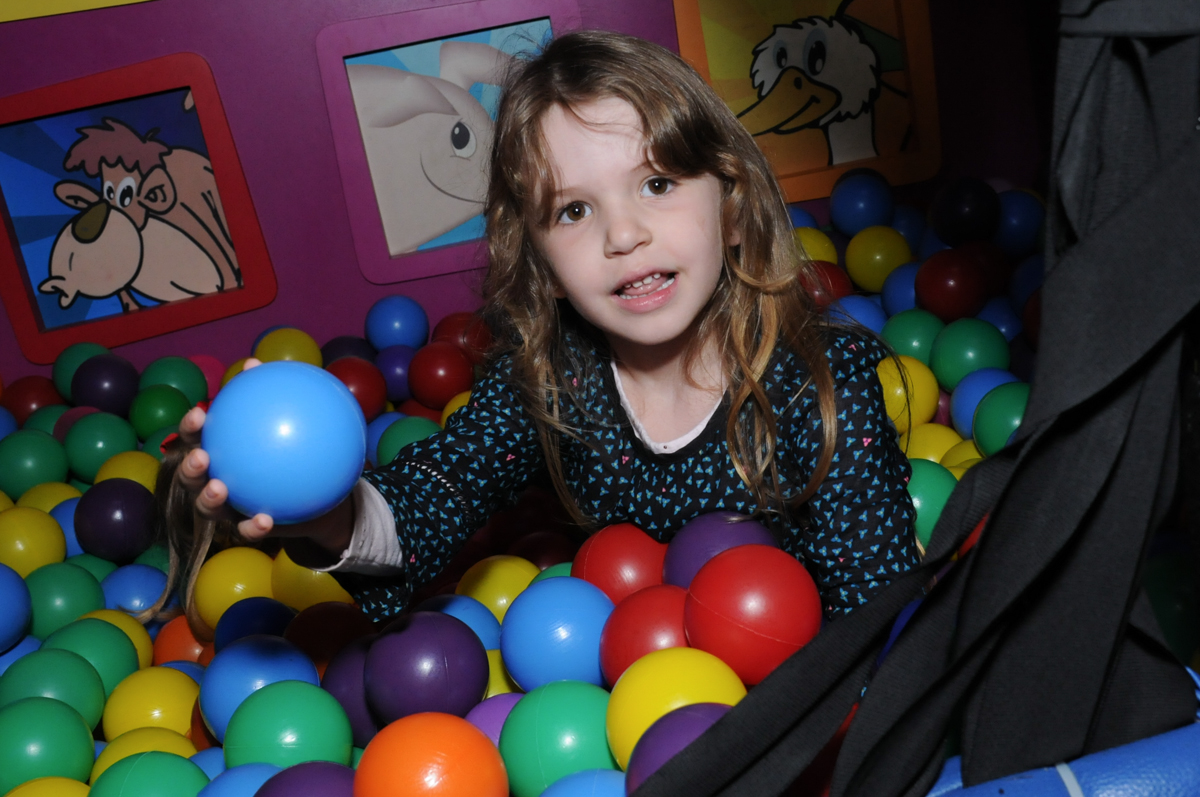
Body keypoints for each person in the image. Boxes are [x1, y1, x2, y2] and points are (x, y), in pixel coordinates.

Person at [154, 30, 918, 634]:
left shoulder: (822, 384)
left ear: (730, 200)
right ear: (543, 261)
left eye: (657, 184)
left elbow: (878, 619)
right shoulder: (551, 383)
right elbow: (433, 494)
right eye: (574, 210)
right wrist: (323, 511)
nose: (625, 234)